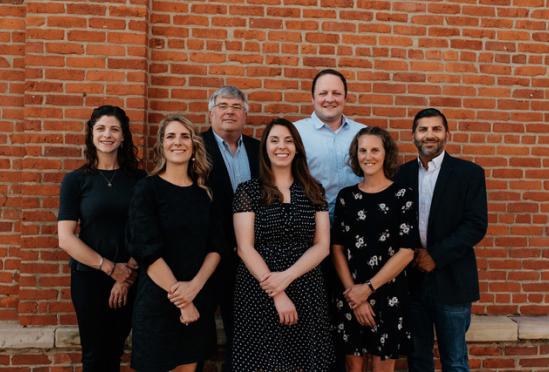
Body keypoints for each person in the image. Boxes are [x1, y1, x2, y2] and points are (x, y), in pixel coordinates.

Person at [232, 118, 334, 371]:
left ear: (297, 147)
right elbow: (245, 248)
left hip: (306, 285)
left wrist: (287, 277)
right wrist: (277, 291)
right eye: (274, 140)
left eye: (289, 141)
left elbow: (322, 246)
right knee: (263, 364)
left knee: (304, 363)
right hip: (260, 288)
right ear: (265, 148)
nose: (282, 146)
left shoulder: (313, 190)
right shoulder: (249, 191)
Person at [394, 108, 488, 372]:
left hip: (453, 280)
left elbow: (475, 225)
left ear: (447, 134)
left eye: (436, 129)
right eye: (423, 129)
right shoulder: (402, 175)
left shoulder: (469, 173)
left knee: (455, 360)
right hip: (412, 281)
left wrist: (435, 255)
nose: (429, 135)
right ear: (413, 135)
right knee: (418, 360)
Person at [127, 114, 223, 372]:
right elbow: (146, 250)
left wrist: (194, 288)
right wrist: (184, 300)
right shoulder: (146, 190)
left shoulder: (204, 195)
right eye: (171, 136)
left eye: (185, 136)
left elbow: (216, 248)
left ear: (193, 146)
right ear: (161, 145)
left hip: (198, 297)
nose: (178, 142)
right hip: (158, 301)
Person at [57, 105, 145, 372]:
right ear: (92, 134)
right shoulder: (76, 180)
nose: (107, 134)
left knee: (116, 350)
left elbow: (146, 231)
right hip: (89, 278)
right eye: (101, 128)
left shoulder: (139, 180)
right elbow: (66, 238)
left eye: (114, 129)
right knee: (94, 356)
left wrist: (126, 275)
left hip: (131, 277)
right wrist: (109, 268)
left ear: (123, 137)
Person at [331, 127, 419, 372]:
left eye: (374, 150)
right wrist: (355, 296)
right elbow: (337, 248)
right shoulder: (346, 197)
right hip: (350, 296)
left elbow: (407, 251)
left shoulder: (403, 195)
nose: (368, 156)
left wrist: (368, 290)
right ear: (356, 155)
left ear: (386, 154)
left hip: (388, 294)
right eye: (362, 150)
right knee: (353, 367)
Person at [201, 85, 259, 371]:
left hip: (249, 258)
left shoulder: (259, 149)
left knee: (244, 334)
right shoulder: (195, 147)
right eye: (223, 106)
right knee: (197, 333)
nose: (229, 112)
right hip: (207, 254)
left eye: (236, 107)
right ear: (211, 112)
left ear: (245, 114)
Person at [294, 68, 365, 220]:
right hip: (309, 221)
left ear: (345, 97)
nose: (330, 98)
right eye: (323, 93)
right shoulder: (295, 133)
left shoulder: (363, 133)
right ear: (313, 98)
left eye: (336, 93)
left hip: (355, 220)